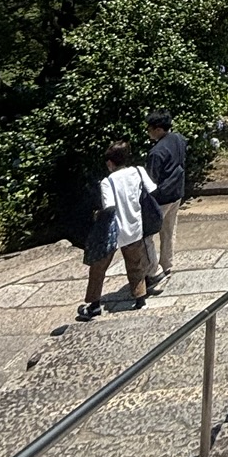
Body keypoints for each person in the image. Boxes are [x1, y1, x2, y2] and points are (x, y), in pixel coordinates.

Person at [78, 141, 157, 319]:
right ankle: (140, 299)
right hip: (135, 226)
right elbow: (152, 189)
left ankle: (94, 305)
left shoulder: (108, 182)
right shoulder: (138, 171)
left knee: (98, 268)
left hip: (113, 233)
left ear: (110, 163)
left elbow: (109, 206)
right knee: (135, 265)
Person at [143, 109, 188, 288]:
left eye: (150, 129)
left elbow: (150, 180)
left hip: (161, 198)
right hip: (177, 192)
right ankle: (167, 264)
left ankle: (153, 271)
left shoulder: (156, 152)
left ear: (159, 129)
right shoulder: (178, 139)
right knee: (169, 230)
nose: (148, 132)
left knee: (146, 236)